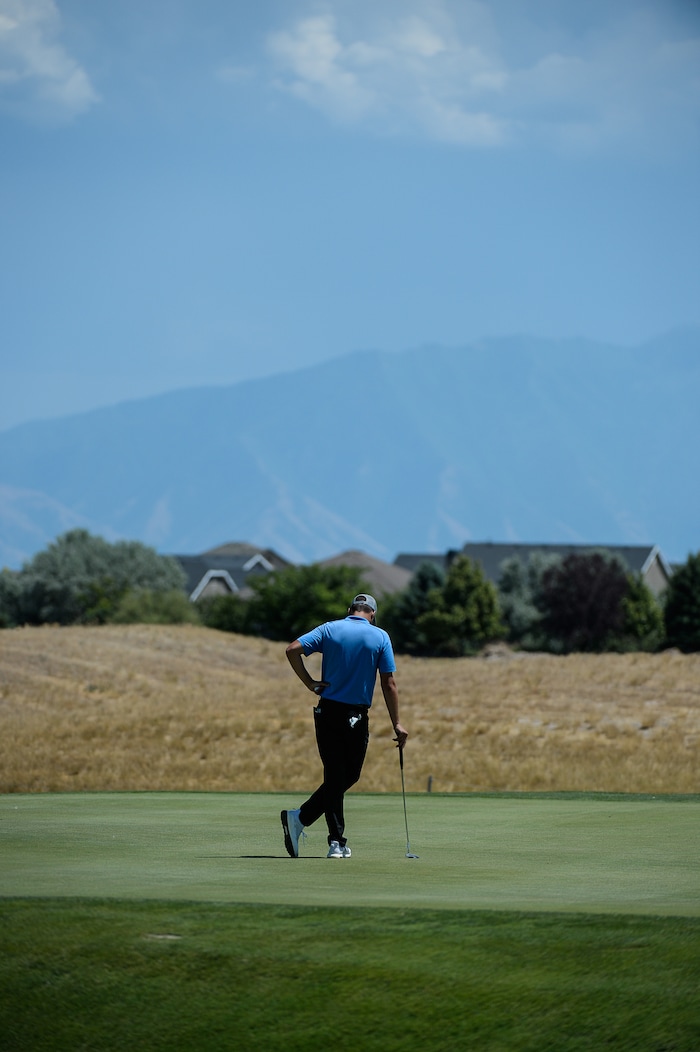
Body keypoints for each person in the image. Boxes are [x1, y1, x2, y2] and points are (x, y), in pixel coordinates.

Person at [281, 593, 408, 859]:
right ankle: (336, 842)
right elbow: (389, 683)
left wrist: (309, 683)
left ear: (350, 609)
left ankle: (300, 818)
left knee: (340, 774)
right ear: (372, 614)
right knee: (342, 774)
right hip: (356, 715)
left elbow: (292, 649)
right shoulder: (380, 636)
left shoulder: (329, 628)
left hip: (326, 710)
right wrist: (396, 722)